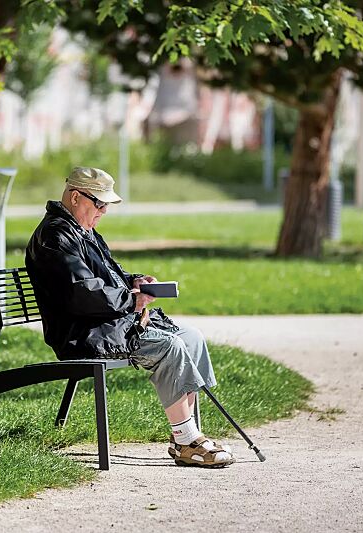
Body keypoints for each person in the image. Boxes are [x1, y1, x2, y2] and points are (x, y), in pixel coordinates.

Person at [25, 167, 234, 468]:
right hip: (84, 333)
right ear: (75, 197)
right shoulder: (55, 237)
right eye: (99, 203)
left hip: (107, 323)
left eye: (106, 204)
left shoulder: (82, 231)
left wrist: (134, 281)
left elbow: (109, 273)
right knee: (170, 347)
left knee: (192, 337)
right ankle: (187, 440)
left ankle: (186, 437)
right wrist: (132, 300)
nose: (104, 210)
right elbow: (80, 293)